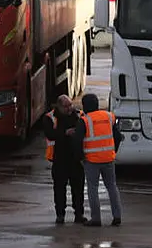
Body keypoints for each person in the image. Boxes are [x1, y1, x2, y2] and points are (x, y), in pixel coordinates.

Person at [75, 93, 124, 227]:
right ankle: (117, 216)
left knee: (93, 189)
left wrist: (80, 158)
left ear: (85, 106)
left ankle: (96, 218)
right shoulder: (108, 116)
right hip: (108, 158)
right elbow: (118, 137)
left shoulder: (84, 120)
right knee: (112, 186)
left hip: (91, 160)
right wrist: (113, 151)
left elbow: (77, 141)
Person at [43, 95, 87, 225]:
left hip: (76, 158)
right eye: (66, 106)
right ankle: (60, 215)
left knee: (78, 189)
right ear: (59, 106)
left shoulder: (79, 115)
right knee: (59, 189)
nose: (69, 108)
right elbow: (50, 134)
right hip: (59, 158)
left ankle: (79, 214)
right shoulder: (49, 118)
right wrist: (65, 133)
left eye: (71, 105)